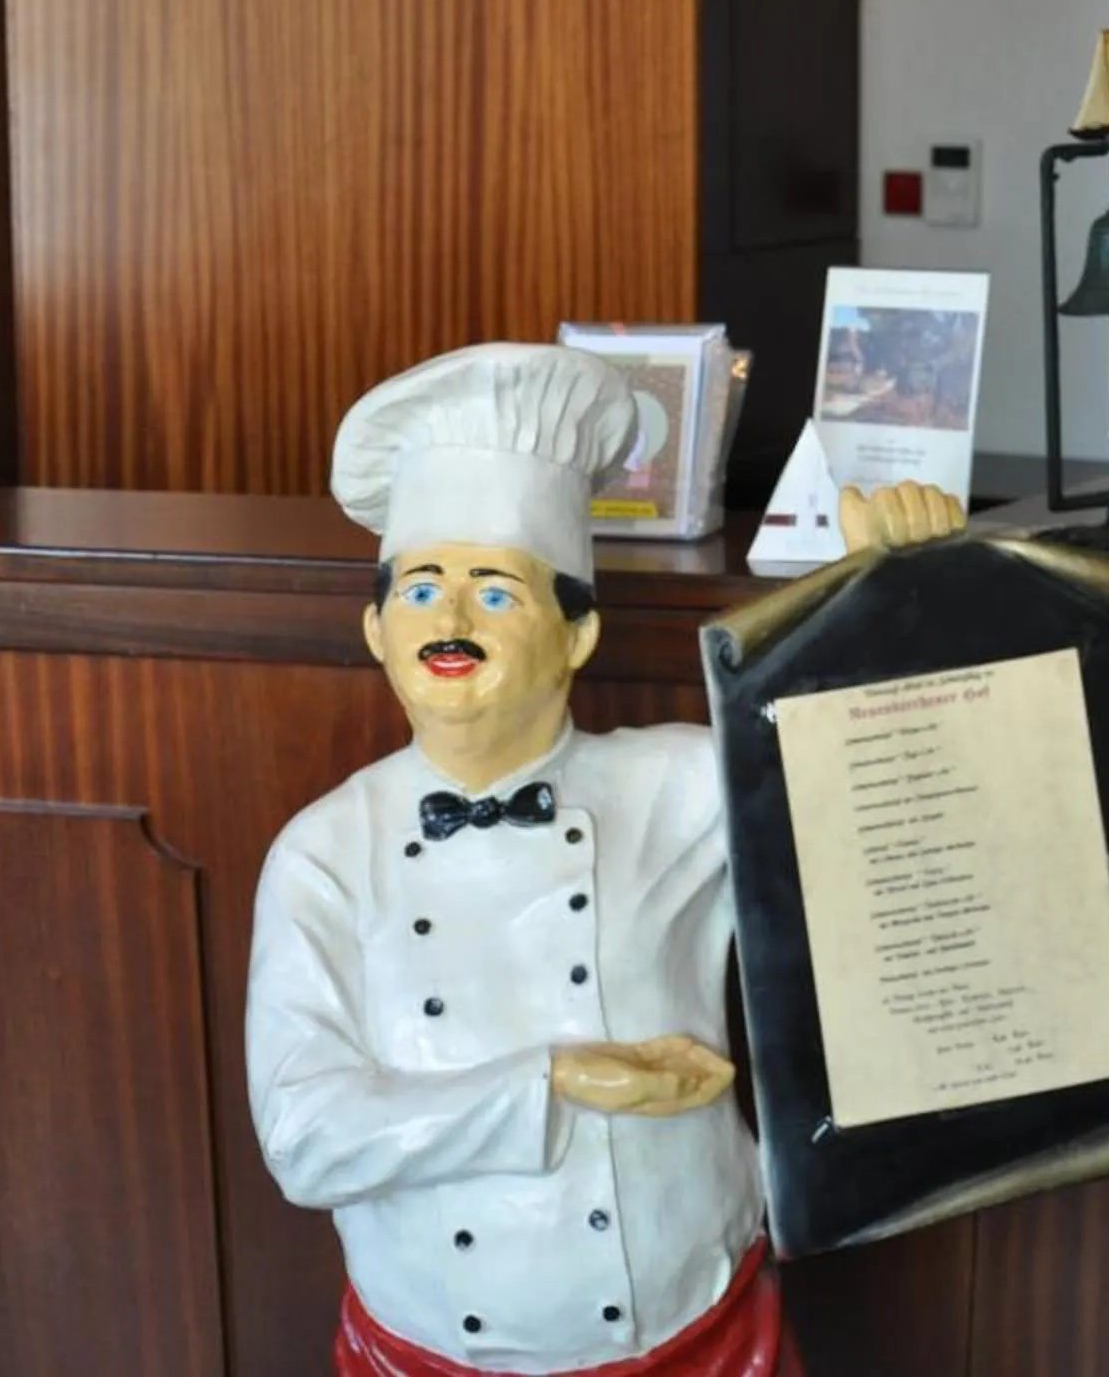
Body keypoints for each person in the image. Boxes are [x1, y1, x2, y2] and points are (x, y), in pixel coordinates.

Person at [248, 342, 959, 1376]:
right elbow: (306, 1136)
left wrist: (902, 597)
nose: (450, 618)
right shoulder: (323, 854)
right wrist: (552, 1082)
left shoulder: (680, 787)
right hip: (425, 1359)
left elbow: (884, 791)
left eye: (496, 591)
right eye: (422, 589)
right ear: (374, 628)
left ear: (578, 634)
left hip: (709, 1340)